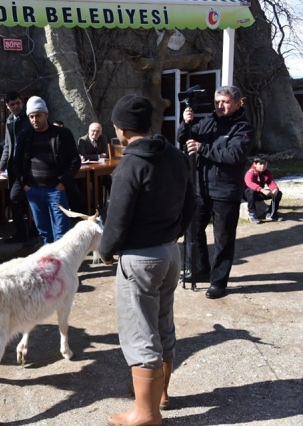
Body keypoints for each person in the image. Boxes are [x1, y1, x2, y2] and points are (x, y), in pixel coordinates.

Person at [99, 94, 196, 426]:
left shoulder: (130, 164)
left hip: (139, 259)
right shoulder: (176, 156)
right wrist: (174, 232)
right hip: (170, 253)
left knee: (140, 333)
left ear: (121, 129)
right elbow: (192, 203)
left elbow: (117, 218)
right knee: (162, 325)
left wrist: (106, 250)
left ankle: (145, 414)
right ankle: (161, 396)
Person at [178, 85, 254, 299]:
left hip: (226, 192)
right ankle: (200, 269)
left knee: (223, 239)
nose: (220, 106)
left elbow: (233, 155)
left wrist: (203, 148)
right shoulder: (209, 121)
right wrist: (186, 123)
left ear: (238, 103)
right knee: (193, 231)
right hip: (201, 188)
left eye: (225, 102)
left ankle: (218, 281)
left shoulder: (243, 127)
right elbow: (183, 140)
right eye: (217, 101)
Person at [15, 96, 80, 244]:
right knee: (43, 231)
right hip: (34, 190)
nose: (34, 119)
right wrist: (24, 184)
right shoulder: (25, 136)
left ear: (46, 114)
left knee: (61, 231)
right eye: (31, 116)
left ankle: (62, 264)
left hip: (56, 190)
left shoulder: (62, 134)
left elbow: (75, 160)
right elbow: (16, 163)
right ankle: (50, 264)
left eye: (38, 115)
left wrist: (63, 183)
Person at [0, 91, 33, 244]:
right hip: (14, 169)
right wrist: (0, 167)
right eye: (12, 104)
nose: (16, 106)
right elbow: (8, 147)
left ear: (22, 102)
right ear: (7, 106)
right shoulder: (9, 121)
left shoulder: (29, 119)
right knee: (16, 200)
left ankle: (28, 232)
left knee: (16, 198)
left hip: (27, 168)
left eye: (18, 103)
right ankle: (23, 232)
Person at [244, 155, 283, 223]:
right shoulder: (250, 172)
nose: (262, 166)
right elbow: (249, 183)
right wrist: (262, 190)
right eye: (260, 164)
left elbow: (271, 182)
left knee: (278, 193)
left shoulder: (267, 172)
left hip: (258, 193)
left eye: (264, 164)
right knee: (250, 191)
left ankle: (271, 214)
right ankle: (252, 214)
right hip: (247, 195)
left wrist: (275, 189)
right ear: (255, 164)